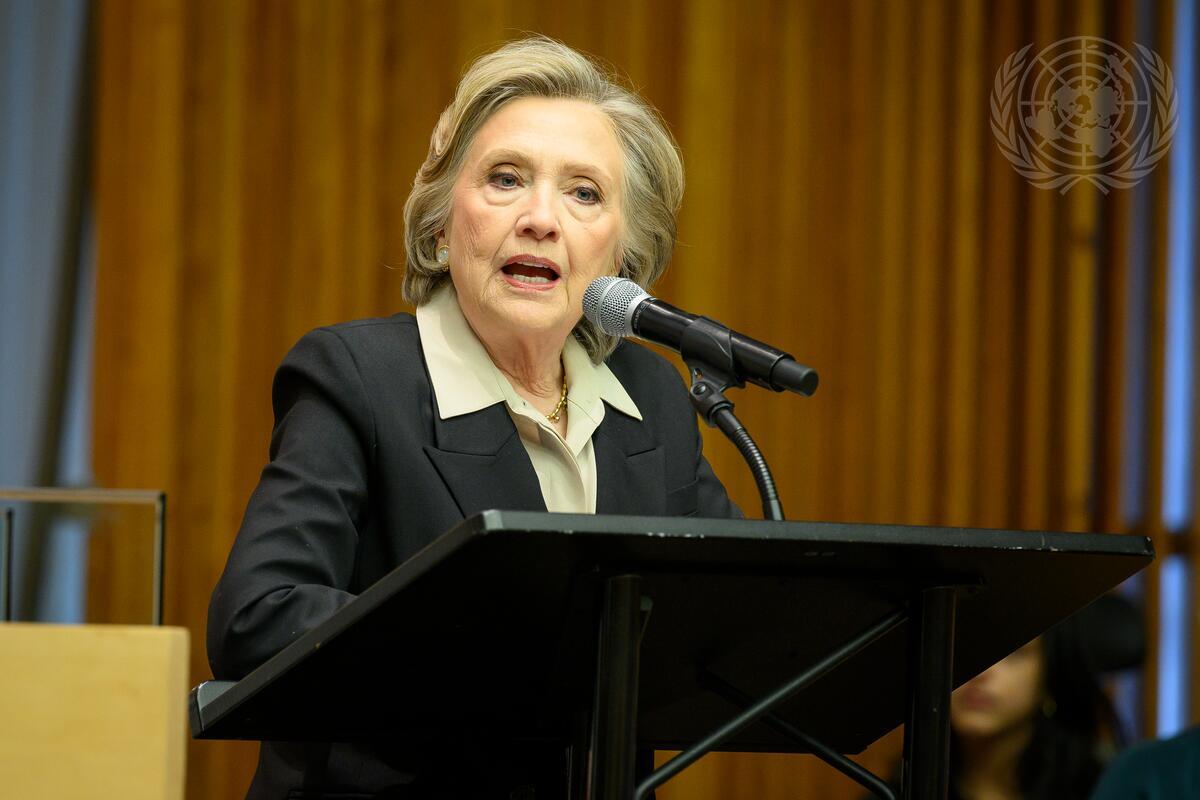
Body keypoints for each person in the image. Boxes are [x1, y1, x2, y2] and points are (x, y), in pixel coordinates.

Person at [207, 36, 739, 799]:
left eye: (584, 193)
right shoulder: (361, 377)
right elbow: (259, 616)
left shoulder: (650, 397)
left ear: (621, 257)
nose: (540, 218)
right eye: (506, 179)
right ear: (439, 223)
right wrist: (512, 646)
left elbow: (736, 622)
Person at [945, 606, 1127, 800]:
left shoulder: (1104, 787)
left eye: (1011, 652)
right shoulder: (921, 780)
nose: (979, 673)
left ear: (1051, 670)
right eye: (964, 645)